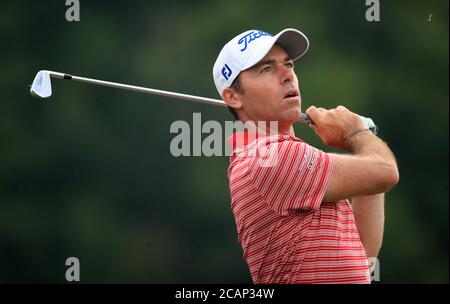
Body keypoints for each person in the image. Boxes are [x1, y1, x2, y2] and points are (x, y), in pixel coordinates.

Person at [212, 28, 399, 284]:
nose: (287, 74)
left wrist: (361, 138)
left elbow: (363, 253)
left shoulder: (295, 162)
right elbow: (386, 172)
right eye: (266, 69)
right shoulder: (268, 157)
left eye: (288, 64)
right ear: (233, 97)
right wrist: (357, 132)